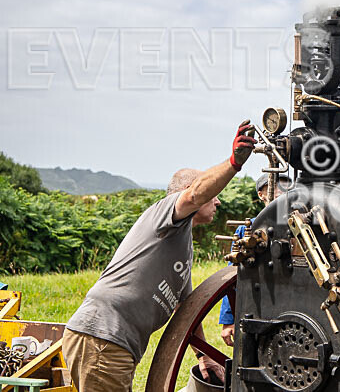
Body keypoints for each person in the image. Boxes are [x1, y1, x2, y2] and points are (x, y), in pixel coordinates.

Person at [62, 120, 256, 391]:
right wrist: (234, 163)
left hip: (113, 343)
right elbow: (195, 195)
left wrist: (204, 357)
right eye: (213, 194)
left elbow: (185, 308)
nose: (218, 200)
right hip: (102, 337)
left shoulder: (182, 244)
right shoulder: (164, 215)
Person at [218, 173, 289, 346]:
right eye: (274, 185)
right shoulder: (245, 232)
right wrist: (228, 320)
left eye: (285, 186)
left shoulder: (299, 229)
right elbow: (232, 278)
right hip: (256, 306)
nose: (280, 190)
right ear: (261, 194)